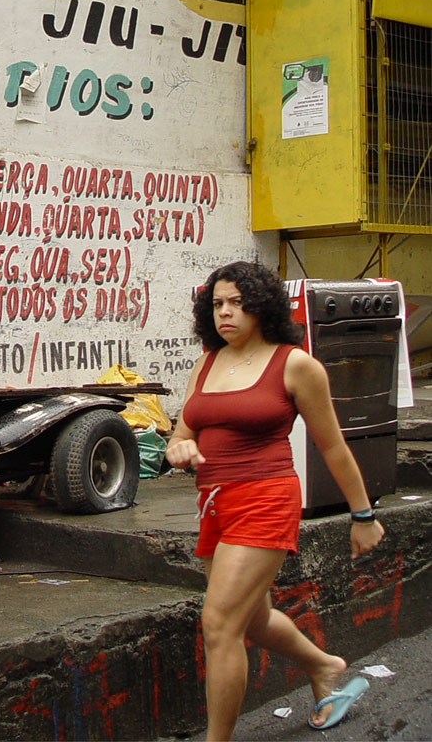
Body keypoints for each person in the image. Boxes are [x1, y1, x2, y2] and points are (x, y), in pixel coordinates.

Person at [165, 260, 385, 740]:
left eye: (238, 303)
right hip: (214, 504)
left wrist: (363, 514)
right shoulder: (208, 360)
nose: (226, 313)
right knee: (255, 618)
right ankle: (324, 666)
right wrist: (178, 448)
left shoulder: (294, 364)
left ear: (261, 307)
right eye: (218, 304)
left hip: (265, 499)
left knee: (220, 623)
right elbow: (182, 431)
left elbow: (333, 445)